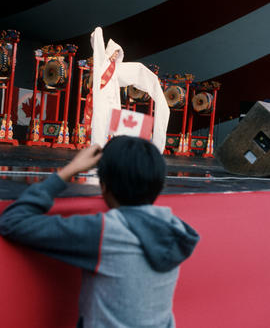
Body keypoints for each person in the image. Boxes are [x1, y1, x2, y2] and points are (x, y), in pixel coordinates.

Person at [0, 136, 199, 328]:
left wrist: (70, 170)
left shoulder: (105, 231)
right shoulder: (174, 227)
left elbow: (12, 220)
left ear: (104, 186)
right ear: (159, 185)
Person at [90, 27, 170, 152]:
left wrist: (151, 80)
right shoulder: (102, 62)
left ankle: (121, 152)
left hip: (113, 103)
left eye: (117, 53)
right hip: (101, 101)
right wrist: (98, 31)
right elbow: (97, 43)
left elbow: (137, 69)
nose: (115, 55)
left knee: (118, 129)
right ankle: (96, 153)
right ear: (109, 51)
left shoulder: (117, 69)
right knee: (99, 128)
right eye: (114, 52)